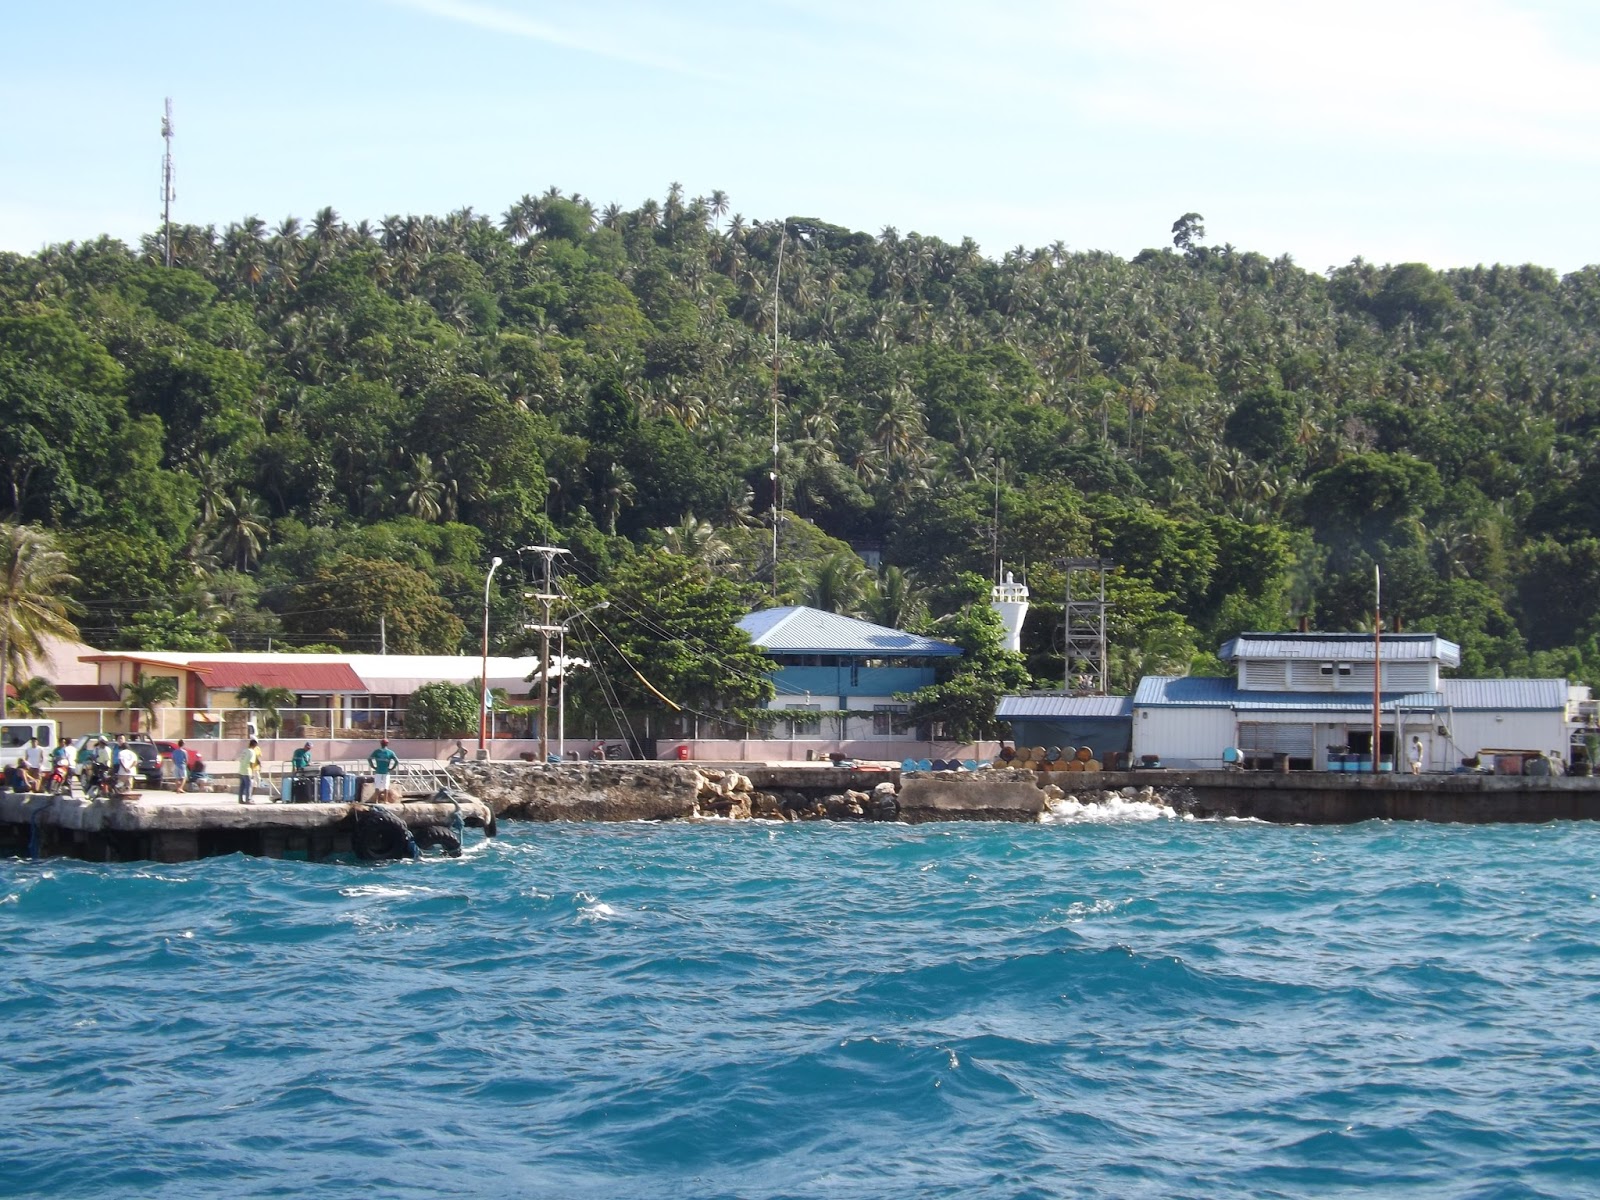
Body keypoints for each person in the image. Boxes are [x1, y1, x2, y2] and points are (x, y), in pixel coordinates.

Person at [237, 737, 260, 804]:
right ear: (255, 744)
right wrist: (252, 773)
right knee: (249, 786)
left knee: (242, 786)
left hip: (241, 770)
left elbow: (241, 760)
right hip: (247, 771)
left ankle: (240, 800)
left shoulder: (245, 750)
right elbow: (251, 763)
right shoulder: (252, 752)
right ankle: (248, 799)